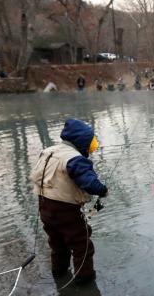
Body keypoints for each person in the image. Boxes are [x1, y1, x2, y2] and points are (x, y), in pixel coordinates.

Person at [30, 119, 107, 283]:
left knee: (57, 244)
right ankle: (84, 281)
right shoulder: (75, 159)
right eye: (90, 142)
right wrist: (103, 190)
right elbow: (90, 183)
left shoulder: (48, 150)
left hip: (44, 206)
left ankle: (58, 274)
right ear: (82, 141)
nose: (92, 146)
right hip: (65, 209)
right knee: (82, 245)